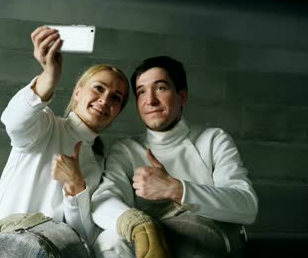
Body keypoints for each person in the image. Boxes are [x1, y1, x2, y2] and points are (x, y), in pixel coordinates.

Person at [0, 26, 129, 258]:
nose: (105, 99)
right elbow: (14, 121)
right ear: (78, 93)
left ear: (117, 111)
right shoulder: (46, 126)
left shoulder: (99, 164)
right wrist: (49, 76)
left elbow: (83, 234)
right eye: (99, 88)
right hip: (1, 250)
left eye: (116, 97)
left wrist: (76, 187)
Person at [91, 56, 259, 257]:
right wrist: (138, 224)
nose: (150, 100)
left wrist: (175, 189)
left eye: (161, 88)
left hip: (206, 241)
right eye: (141, 92)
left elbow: (247, 205)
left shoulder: (213, 139)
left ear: (183, 96)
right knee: (109, 239)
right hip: (148, 244)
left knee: (195, 235)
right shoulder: (125, 150)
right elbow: (104, 199)